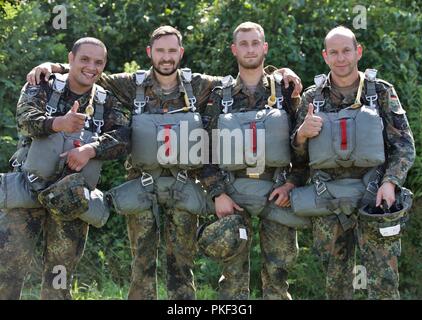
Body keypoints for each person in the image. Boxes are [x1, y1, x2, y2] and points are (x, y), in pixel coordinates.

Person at [26, 25, 302, 300]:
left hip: (184, 185)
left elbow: (245, 74)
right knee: (141, 264)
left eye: (172, 50)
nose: (166, 57)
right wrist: (55, 66)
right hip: (141, 184)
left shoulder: (200, 85)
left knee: (182, 263)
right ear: (150, 52)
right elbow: (91, 71)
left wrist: (280, 73)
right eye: (160, 51)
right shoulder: (130, 84)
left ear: (180, 53)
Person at [0, 37, 130, 300]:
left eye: (98, 62)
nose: (91, 67)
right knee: (6, 271)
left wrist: (90, 150)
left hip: (70, 200)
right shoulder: (43, 84)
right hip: (28, 189)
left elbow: (126, 137)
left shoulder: (106, 100)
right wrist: (59, 123)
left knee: (59, 281)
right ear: (70, 58)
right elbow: (25, 120)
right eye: (84, 59)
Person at [291, 26, 415, 299]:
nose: (341, 58)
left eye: (346, 50)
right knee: (336, 286)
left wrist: (390, 183)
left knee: (384, 284)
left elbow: (403, 145)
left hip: (377, 199)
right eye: (333, 52)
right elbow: (298, 161)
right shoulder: (313, 98)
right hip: (328, 201)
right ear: (325, 56)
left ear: (358, 51)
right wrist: (301, 136)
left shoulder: (380, 91)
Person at [198, 22, 308, 300]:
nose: (250, 49)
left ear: (265, 47)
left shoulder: (286, 93)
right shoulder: (219, 96)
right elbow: (203, 149)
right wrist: (217, 193)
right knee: (232, 282)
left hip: (277, 192)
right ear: (234, 50)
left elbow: (301, 144)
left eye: (255, 43)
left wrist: (293, 183)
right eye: (243, 44)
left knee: (278, 278)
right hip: (233, 194)